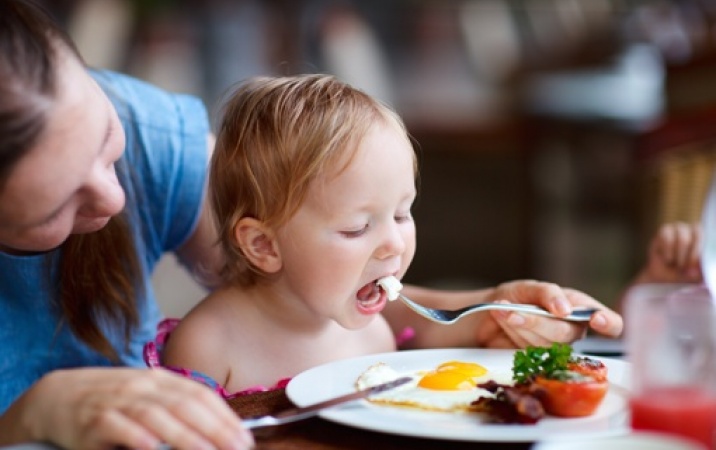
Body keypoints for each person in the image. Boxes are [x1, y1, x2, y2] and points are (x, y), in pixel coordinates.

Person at [0, 1, 621, 448]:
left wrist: (484, 311)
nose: (114, 198)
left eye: (110, 142)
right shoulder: (209, 350)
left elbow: (313, 299)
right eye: (54, 208)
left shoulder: (154, 137)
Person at [152, 74, 623, 395]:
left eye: (402, 215)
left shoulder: (376, 331)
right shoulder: (209, 347)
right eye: (358, 227)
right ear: (264, 245)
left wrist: (511, 311)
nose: (394, 244)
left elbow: (443, 332)